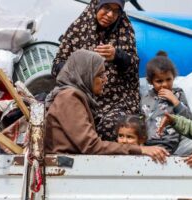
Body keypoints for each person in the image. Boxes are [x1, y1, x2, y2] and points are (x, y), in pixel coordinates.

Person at [45, 49, 168, 163]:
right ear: (86, 75)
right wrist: (140, 150)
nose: (105, 79)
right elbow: (91, 146)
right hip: (65, 168)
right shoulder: (69, 97)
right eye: (100, 75)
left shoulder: (74, 96)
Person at [52, 0, 140, 141]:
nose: (110, 14)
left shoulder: (125, 29)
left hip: (116, 102)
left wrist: (117, 56)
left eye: (116, 11)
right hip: (81, 99)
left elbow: (134, 67)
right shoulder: (78, 29)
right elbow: (57, 66)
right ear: (96, 5)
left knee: (113, 126)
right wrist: (81, 67)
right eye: (106, 7)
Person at [141, 51, 192, 154]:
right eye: (159, 81)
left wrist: (174, 100)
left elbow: (189, 120)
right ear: (150, 81)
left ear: (174, 77)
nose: (164, 84)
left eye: (168, 79)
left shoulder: (178, 94)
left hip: (168, 142)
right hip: (148, 145)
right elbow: (140, 120)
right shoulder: (146, 97)